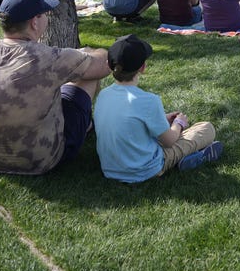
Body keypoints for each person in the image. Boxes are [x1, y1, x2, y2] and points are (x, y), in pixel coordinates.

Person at [0, 0, 110, 175]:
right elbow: (104, 65)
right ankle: (84, 125)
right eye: (44, 14)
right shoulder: (47, 58)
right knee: (88, 78)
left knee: (62, 84)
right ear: (35, 22)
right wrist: (91, 52)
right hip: (39, 161)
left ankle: (83, 124)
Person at [94, 34, 223, 183]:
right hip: (145, 169)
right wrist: (178, 124)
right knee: (206, 128)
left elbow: (130, 123)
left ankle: (189, 158)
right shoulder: (148, 100)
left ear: (109, 65)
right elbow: (169, 141)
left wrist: (163, 118)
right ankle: (195, 157)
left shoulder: (103, 95)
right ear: (142, 67)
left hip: (110, 170)